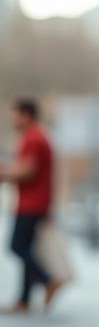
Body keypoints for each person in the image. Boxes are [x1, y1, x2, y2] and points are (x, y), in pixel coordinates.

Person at [0, 97, 64, 313]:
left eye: (15, 114)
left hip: (31, 204)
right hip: (36, 202)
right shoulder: (38, 136)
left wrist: (4, 173)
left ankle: (48, 280)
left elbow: (28, 171)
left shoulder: (33, 137)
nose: (12, 119)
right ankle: (24, 301)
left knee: (16, 246)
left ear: (26, 115)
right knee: (27, 248)